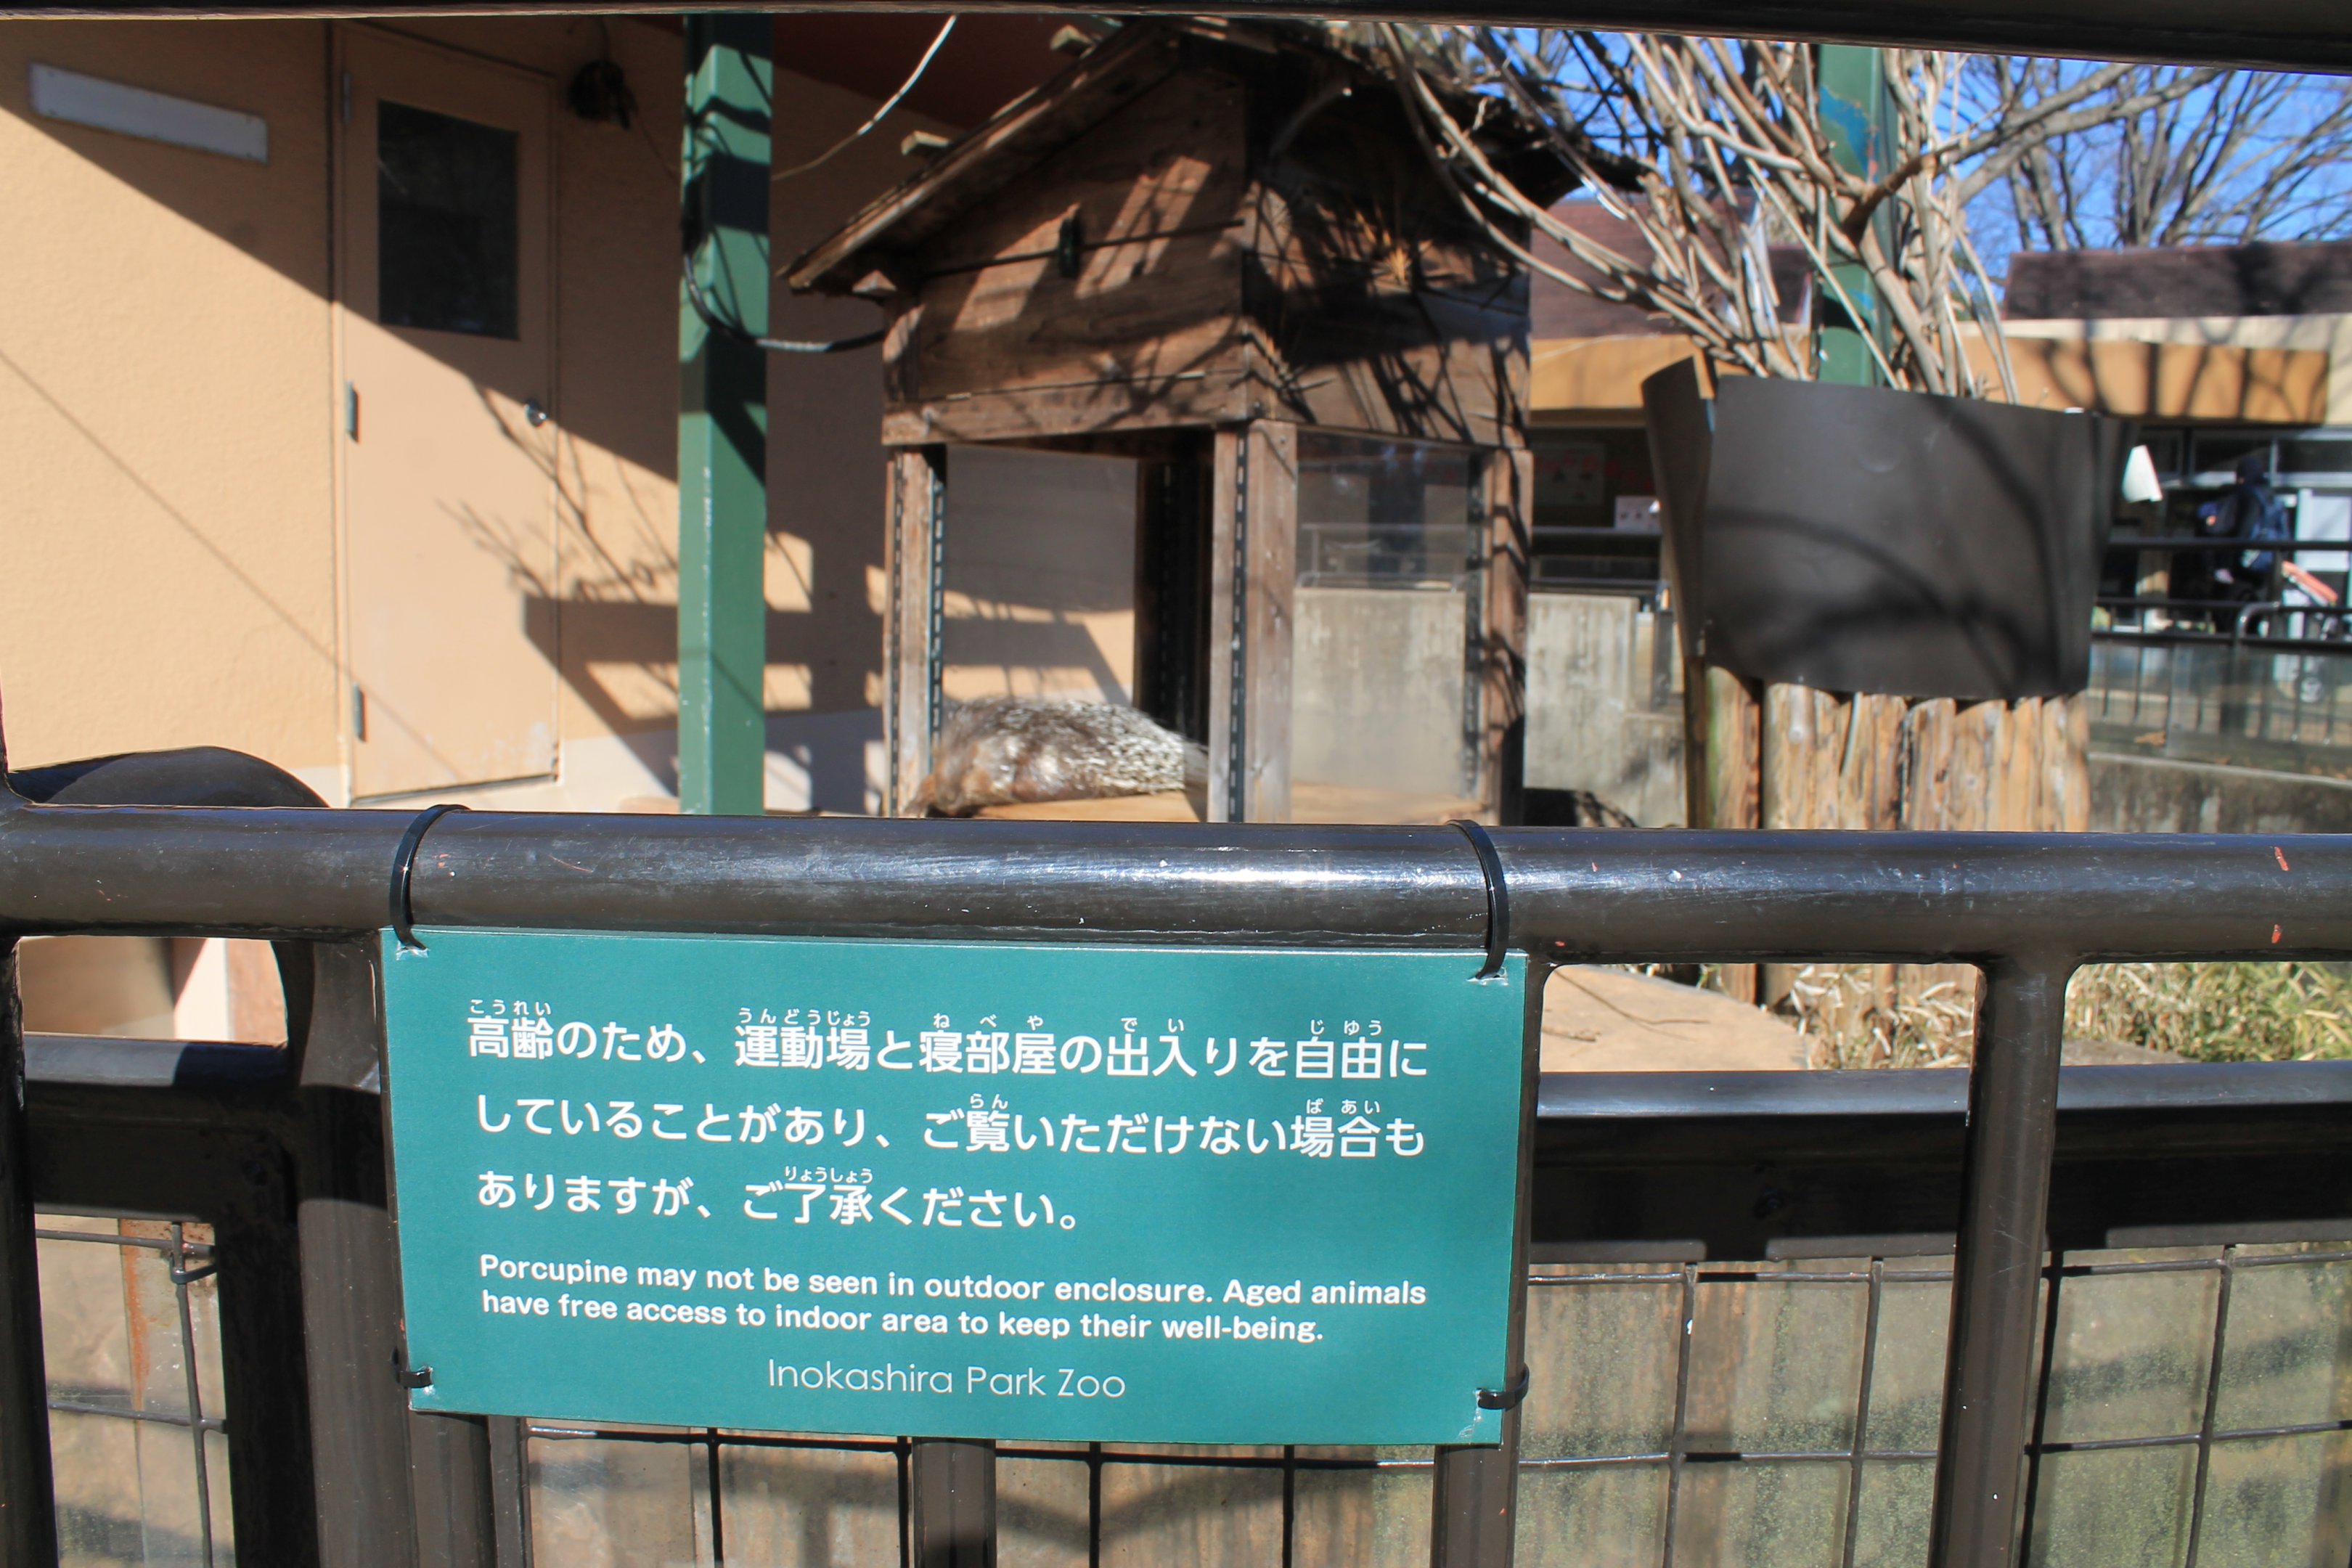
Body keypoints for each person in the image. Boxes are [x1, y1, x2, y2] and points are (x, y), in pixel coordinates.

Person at [2197, 452, 2292, 603]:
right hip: (2269, 563)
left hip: (2245, 562)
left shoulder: (2247, 495)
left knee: (2233, 606)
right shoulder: (2274, 498)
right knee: (2258, 609)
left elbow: (2224, 527)